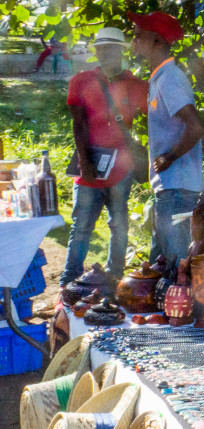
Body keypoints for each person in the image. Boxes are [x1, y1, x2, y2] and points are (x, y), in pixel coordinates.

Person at [60, 27, 147, 284]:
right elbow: (78, 124)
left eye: (112, 48)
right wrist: (85, 162)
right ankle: (69, 280)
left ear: (121, 51)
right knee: (81, 227)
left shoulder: (136, 85)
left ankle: (115, 278)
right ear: (96, 52)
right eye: (102, 48)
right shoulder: (81, 81)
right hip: (90, 167)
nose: (107, 52)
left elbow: (155, 116)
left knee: (119, 226)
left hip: (122, 167)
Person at [130, 11, 204, 273]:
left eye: (138, 36)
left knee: (177, 270)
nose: (133, 42)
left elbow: (195, 126)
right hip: (169, 190)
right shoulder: (160, 78)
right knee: (159, 269)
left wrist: (169, 156)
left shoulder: (170, 79)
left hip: (178, 191)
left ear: (157, 41)